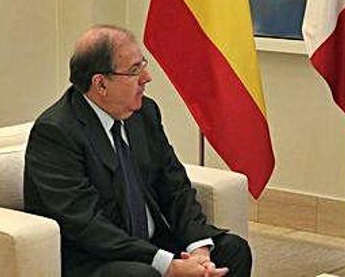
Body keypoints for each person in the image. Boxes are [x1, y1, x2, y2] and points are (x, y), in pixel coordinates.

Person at [24, 25, 251, 277]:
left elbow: (174, 185)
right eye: (134, 70)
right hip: (94, 258)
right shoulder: (56, 133)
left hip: (150, 245)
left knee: (233, 250)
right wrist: (168, 265)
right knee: (142, 275)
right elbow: (86, 224)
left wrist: (198, 248)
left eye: (142, 64)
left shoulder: (143, 113)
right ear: (100, 84)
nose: (146, 77)